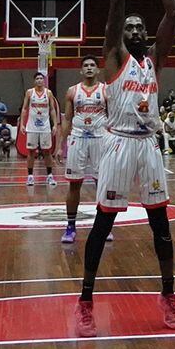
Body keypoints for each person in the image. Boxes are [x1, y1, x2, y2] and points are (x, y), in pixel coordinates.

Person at [76, 0, 175, 337]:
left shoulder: (155, 58)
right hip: (117, 143)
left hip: (148, 146)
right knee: (102, 227)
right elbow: (116, 5)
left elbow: (172, 11)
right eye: (129, 26)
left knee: (161, 227)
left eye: (140, 26)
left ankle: (168, 295)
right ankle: (86, 301)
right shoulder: (115, 56)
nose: (135, 29)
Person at [62, 56, 109, 244]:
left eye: (92, 65)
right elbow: (67, 118)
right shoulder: (72, 91)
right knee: (74, 184)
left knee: (102, 184)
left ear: (98, 70)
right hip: (78, 139)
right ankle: (70, 226)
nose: (89, 68)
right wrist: (61, 145)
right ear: (81, 70)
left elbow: (112, 117)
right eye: (86, 66)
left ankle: (103, 227)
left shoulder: (106, 91)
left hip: (101, 139)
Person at [21, 72, 59, 188]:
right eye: (37, 78)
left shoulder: (48, 93)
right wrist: (22, 124)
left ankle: (50, 175)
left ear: (44, 81)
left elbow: (52, 109)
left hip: (45, 126)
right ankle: (30, 176)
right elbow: (24, 109)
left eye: (41, 78)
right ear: (34, 81)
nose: (39, 80)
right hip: (32, 126)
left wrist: (55, 125)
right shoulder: (29, 92)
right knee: (31, 152)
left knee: (47, 151)